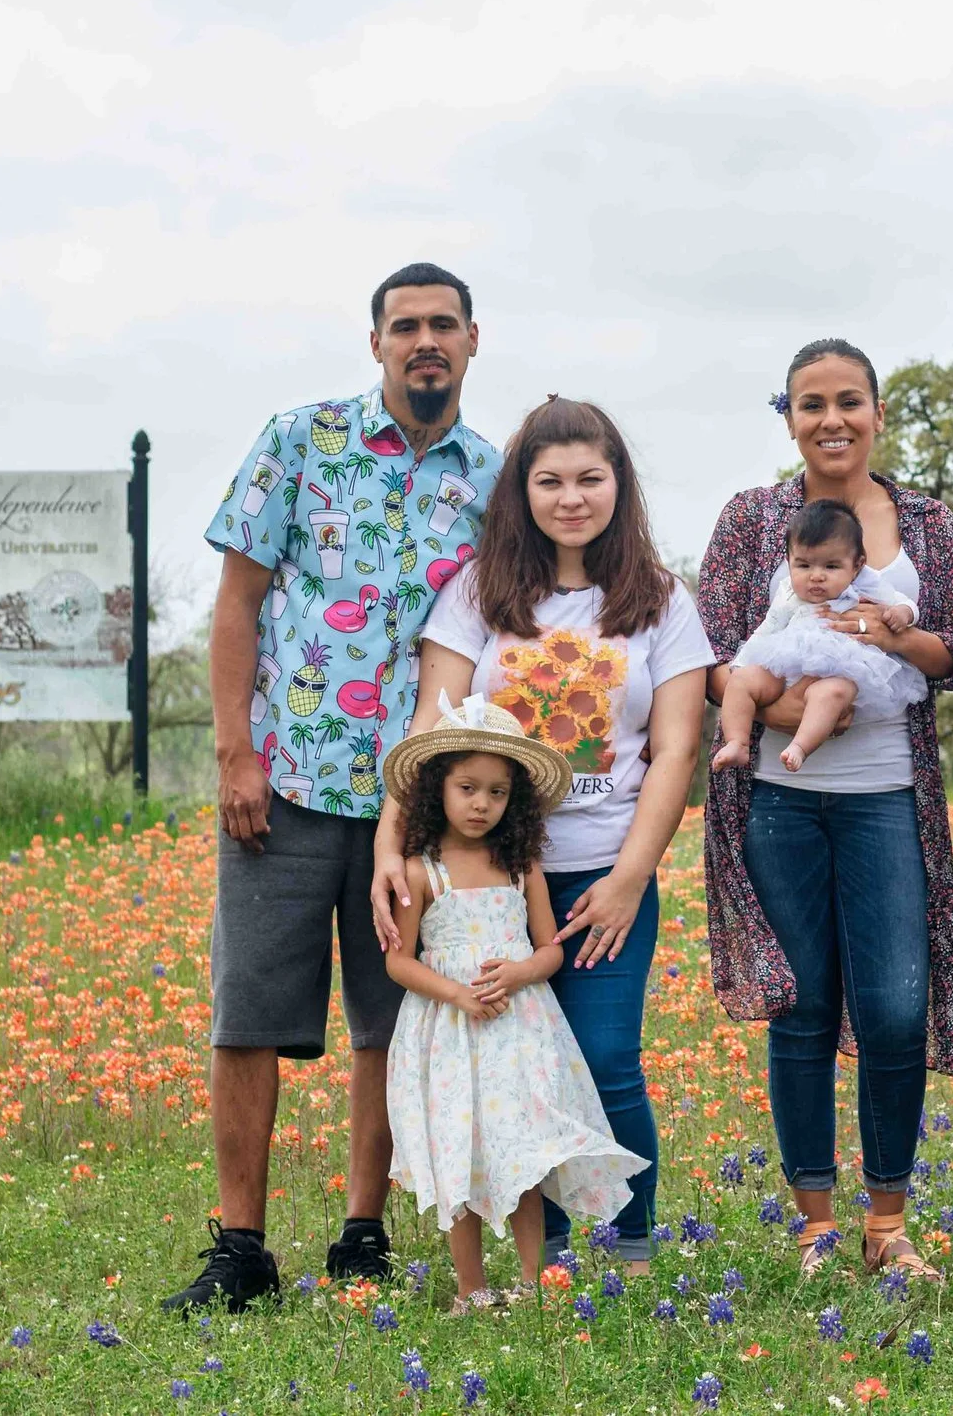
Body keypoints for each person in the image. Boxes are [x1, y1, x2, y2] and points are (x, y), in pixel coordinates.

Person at [171, 262, 501, 1314]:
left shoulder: (494, 479)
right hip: (288, 780)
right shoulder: (298, 439)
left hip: (418, 798)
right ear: (376, 344)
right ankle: (240, 1246)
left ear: (471, 340)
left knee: (389, 1016)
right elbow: (240, 599)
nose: (424, 342)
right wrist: (235, 750)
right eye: (404, 326)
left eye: (442, 324)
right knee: (248, 1013)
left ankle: (364, 1232)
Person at [373, 396, 711, 1274]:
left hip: (601, 869)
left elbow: (676, 747)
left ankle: (630, 1246)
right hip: (482, 878)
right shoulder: (479, 592)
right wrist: (391, 847)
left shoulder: (661, 600)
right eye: (549, 479)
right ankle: (546, 1257)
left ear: (618, 484)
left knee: (604, 1057)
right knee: (512, 1074)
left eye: (589, 478)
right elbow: (426, 725)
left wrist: (634, 876)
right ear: (521, 490)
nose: (571, 497)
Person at [697, 339, 953, 1280]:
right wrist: (787, 711)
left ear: (877, 410)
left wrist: (897, 639)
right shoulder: (753, 520)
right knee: (802, 1006)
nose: (832, 419)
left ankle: (889, 1219)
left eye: (850, 401)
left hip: (886, 800)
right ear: (786, 414)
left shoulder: (926, 521)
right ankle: (816, 1226)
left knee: (896, 1006)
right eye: (810, 403)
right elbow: (710, 652)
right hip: (780, 802)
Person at [379, 696, 645, 1311]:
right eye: (467, 787)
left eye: (497, 793)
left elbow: (550, 950)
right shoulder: (422, 872)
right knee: (460, 1153)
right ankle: (470, 1288)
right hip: (449, 1030)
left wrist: (524, 970)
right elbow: (398, 960)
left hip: (519, 1030)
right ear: (435, 789)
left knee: (523, 1153)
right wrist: (458, 993)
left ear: (514, 801)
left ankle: (533, 1284)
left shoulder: (521, 865)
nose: (481, 804)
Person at [710, 499, 927, 774]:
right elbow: (768, 628)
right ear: (788, 561)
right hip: (784, 665)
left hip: (840, 667)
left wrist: (903, 613)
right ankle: (737, 742)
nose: (816, 576)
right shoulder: (788, 592)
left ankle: (800, 746)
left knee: (833, 693)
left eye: (831, 567)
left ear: (857, 565)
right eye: (803, 565)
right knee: (740, 680)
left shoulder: (865, 584)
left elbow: (902, 600)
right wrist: (743, 663)